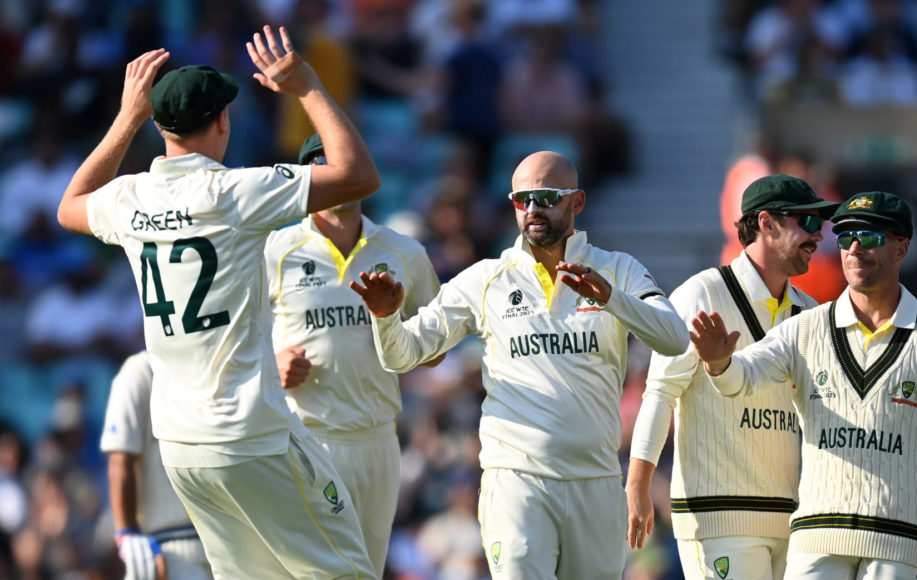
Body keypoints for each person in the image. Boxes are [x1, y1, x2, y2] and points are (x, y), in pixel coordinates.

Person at [56, 26, 383, 578]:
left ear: (159, 126)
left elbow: (71, 205)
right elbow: (359, 176)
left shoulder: (130, 198)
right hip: (249, 435)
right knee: (347, 571)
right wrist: (306, 87)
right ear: (223, 122)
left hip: (181, 445)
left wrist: (127, 119)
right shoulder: (236, 192)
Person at [350, 151, 690, 579]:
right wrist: (385, 318)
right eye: (521, 199)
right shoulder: (486, 279)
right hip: (516, 480)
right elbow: (404, 353)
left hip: (596, 481)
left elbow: (675, 337)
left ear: (578, 202)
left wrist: (610, 299)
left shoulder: (617, 270)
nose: (532, 210)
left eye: (546, 197)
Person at [691, 191, 917, 579]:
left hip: (902, 539)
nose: (853, 248)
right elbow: (743, 377)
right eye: (846, 235)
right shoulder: (805, 329)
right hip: (818, 535)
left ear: (901, 249)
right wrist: (719, 363)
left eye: (869, 238)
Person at [626, 174, 838, 580]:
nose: (817, 236)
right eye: (807, 222)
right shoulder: (701, 294)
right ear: (767, 223)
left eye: (820, 224)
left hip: (789, 519)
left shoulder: (810, 312)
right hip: (717, 515)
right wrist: (638, 485)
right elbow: (660, 393)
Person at [266, 133, 443, 578]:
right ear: (309, 180)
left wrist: (392, 322)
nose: (339, 183)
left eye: (345, 169)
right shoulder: (274, 251)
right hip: (305, 437)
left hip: (379, 440)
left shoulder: (405, 253)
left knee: (365, 571)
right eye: (325, 172)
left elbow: (436, 352)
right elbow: (234, 338)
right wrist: (271, 367)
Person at [100, 351, 212, 580]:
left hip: (224, 544)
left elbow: (120, 461)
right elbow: (120, 461)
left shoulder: (214, 359)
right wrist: (128, 534)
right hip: (171, 552)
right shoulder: (140, 370)